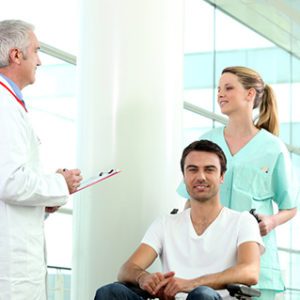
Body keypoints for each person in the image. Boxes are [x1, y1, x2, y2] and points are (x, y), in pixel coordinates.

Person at [177, 66, 297, 299]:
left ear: (250, 94)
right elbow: (191, 201)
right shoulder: (207, 141)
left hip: (257, 265)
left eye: (228, 88)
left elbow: (290, 207)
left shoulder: (273, 148)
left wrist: (271, 221)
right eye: (219, 89)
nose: (220, 94)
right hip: (209, 260)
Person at [94, 140, 264, 300]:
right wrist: (144, 278)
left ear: (222, 176)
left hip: (210, 298)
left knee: (202, 295)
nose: (201, 177)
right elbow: (126, 269)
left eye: (209, 169)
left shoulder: (243, 221)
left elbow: (250, 271)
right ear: (184, 176)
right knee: (109, 292)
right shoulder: (165, 224)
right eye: (192, 169)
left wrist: (191, 284)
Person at [0, 20, 82, 299]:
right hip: (11, 268)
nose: (40, 61)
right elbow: (10, 182)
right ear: (16, 55)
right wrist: (59, 183)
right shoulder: (3, 106)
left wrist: (45, 200)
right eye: (35, 51)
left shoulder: (10, 104)